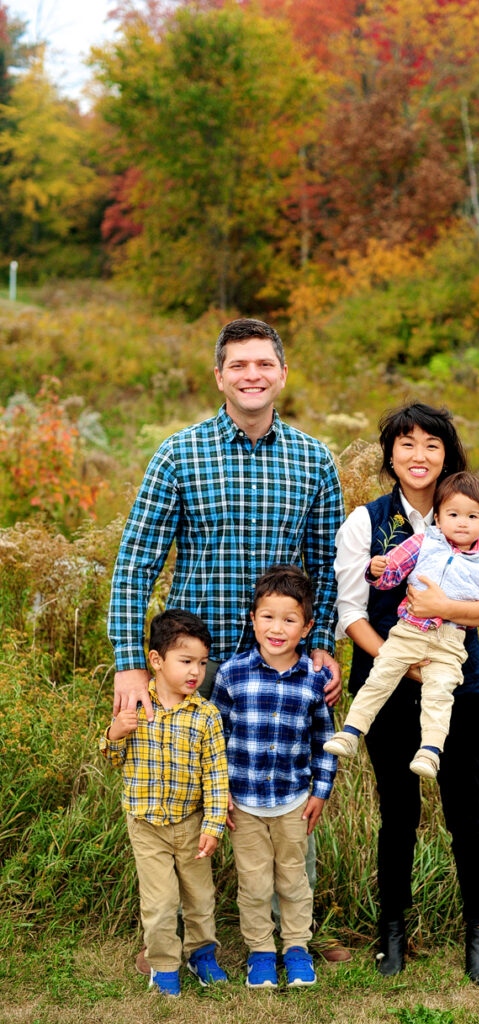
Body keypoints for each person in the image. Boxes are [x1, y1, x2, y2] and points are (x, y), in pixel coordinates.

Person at [107, 316, 348, 968]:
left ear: (281, 374)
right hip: (197, 670)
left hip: (282, 666)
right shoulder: (178, 455)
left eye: (262, 364)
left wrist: (321, 641)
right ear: (219, 376)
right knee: (189, 809)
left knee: (286, 796)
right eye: (238, 365)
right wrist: (131, 665)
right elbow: (135, 564)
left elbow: (327, 567)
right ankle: (192, 940)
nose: (251, 375)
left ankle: (285, 938)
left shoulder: (313, 460)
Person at [334, 402, 479, 986]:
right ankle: (392, 931)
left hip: (459, 682)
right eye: (406, 444)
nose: (419, 455)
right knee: (398, 814)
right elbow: (351, 614)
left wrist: (443, 610)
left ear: (448, 454)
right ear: (389, 454)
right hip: (388, 681)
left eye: (431, 445)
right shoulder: (366, 523)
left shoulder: (474, 521)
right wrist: (401, 663)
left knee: (466, 810)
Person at [327, 471, 479, 779]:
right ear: (438, 519)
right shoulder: (422, 543)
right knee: (381, 676)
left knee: (439, 692)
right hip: (409, 631)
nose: (462, 522)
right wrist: (376, 570)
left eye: (472, 516)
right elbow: (391, 575)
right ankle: (349, 732)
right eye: (453, 514)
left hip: (450, 641)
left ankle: (430, 751)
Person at [211, 566, 337, 989]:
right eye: (267, 617)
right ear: (252, 619)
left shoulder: (314, 680)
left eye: (289, 619)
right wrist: (219, 794)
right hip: (243, 803)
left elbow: (324, 740)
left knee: (294, 878)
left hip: (294, 801)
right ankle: (261, 951)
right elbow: (216, 740)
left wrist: (320, 792)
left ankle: (297, 947)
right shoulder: (232, 674)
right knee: (254, 883)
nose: (277, 628)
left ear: (307, 626)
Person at [99, 609, 229, 997]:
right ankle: (164, 963)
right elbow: (113, 759)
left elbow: (216, 776)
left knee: (199, 897)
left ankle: (201, 952)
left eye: (202, 663)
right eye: (186, 661)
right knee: (159, 902)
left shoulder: (206, 715)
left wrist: (213, 825)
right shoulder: (135, 706)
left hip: (191, 823)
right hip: (146, 825)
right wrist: (114, 733)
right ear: (156, 660)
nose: (196, 672)